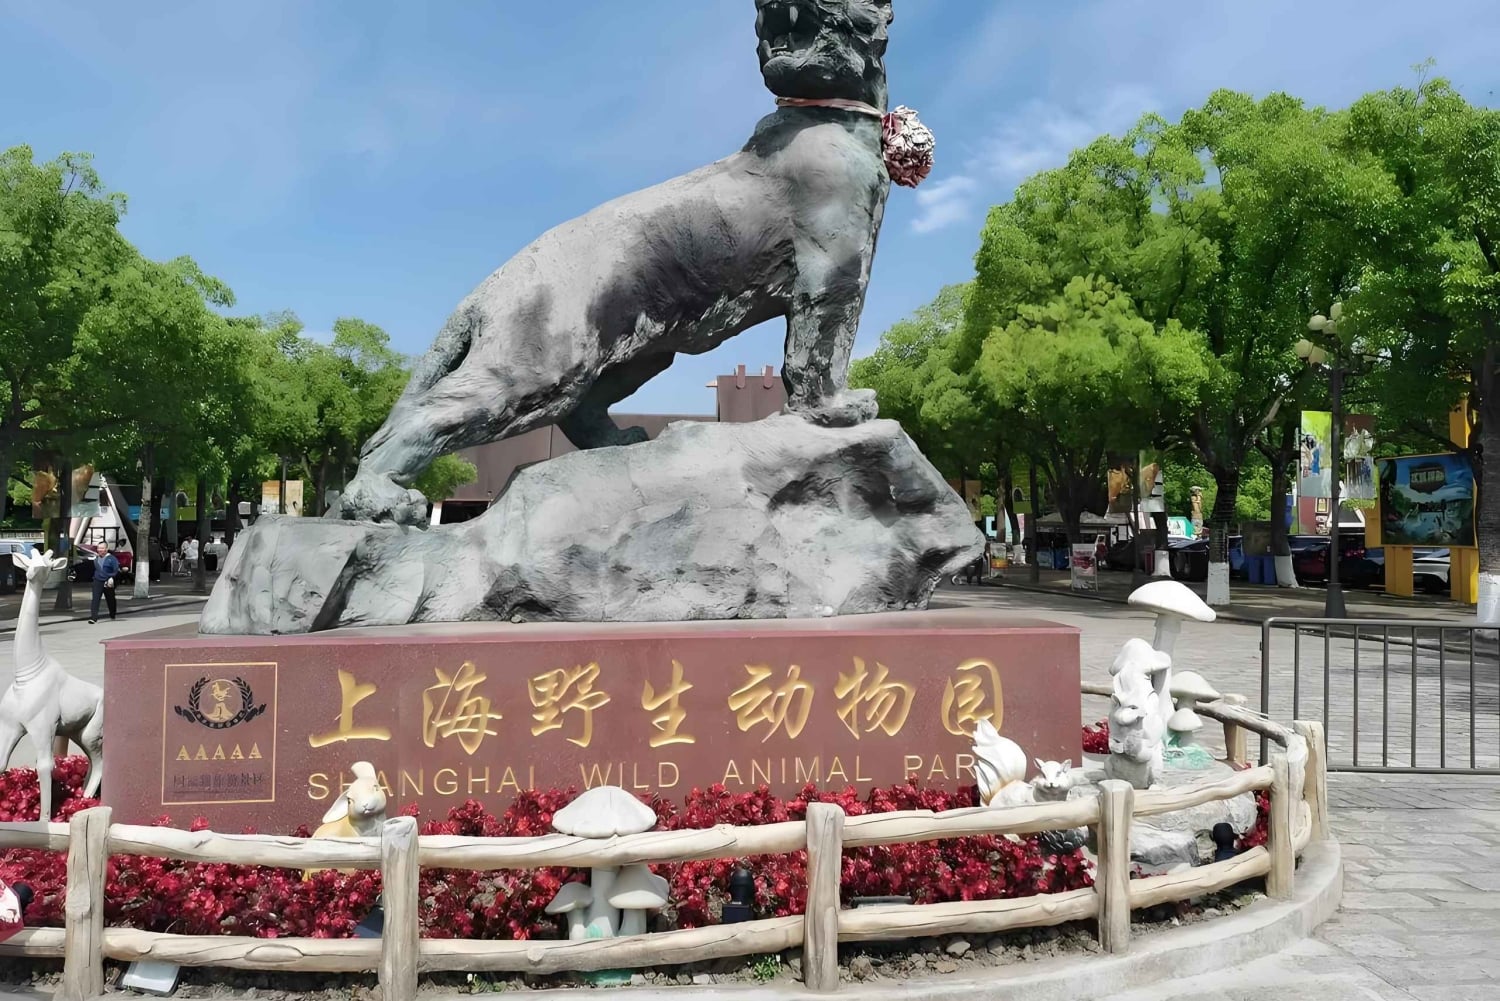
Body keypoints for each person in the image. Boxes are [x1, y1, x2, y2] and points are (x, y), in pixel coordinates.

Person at [89, 542, 120, 624]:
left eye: (102, 548)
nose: (100, 550)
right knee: (95, 599)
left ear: (106, 549)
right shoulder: (96, 559)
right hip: (97, 580)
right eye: (99, 548)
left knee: (110, 599)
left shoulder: (112, 559)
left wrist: (112, 577)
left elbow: (116, 570)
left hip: (108, 581)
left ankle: (112, 614)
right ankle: (93, 618)